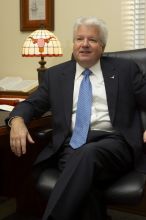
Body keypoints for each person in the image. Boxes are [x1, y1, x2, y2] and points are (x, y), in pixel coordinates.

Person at [7, 16, 146, 220]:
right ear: (73, 44)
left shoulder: (125, 70)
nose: (85, 44)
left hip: (114, 143)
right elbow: (30, 104)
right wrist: (17, 121)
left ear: (103, 46)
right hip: (70, 145)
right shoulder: (55, 75)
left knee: (85, 155)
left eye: (92, 40)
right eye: (79, 39)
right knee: (85, 181)